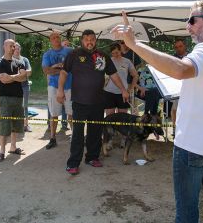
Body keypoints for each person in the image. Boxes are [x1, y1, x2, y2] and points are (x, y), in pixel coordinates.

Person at [112, 0, 203, 222]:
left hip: (193, 144)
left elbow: (180, 69)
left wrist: (134, 44)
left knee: (186, 210)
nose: (188, 26)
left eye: (192, 20)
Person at [57, 29, 129, 175]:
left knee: (95, 132)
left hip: (97, 101)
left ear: (95, 40)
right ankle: (73, 163)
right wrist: (60, 90)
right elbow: (64, 72)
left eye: (92, 39)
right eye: (86, 39)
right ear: (82, 41)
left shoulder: (102, 56)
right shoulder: (74, 54)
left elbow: (113, 74)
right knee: (77, 133)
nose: (89, 42)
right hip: (79, 101)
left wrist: (123, 89)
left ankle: (92, 157)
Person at [0, 39, 27, 162]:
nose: (12, 48)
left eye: (14, 46)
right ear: (4, 47)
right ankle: (1, 150)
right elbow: (3, 80)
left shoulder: (19, 62)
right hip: (5, 97)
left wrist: (11, 77)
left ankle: (13, 147)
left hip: (18, 97)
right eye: (10, 46)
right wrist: (16, 77)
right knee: (5, 124)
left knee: (16, 124)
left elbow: (23, 77)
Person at [42, 32, 73, 150]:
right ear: (50, 40)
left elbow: (74, 66)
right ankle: (52, 138)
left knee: (71, 113)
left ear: (60, 39)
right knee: (54, 114)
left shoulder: (70, 51)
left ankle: (74, 136)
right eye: (53, 37)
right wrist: (63, 70)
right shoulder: (47, 54)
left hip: (69, 86)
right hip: (53, 86)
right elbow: (46, 70)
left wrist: (55, 67)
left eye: (57, 37)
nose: (55, 39)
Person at [104, 42, 138, 116]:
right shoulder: (108, 61)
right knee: (110, 117)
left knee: (122, 118)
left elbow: (135, 76)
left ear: (120, 51)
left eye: (117, 52)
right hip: (109, 92)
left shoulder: (127, 61)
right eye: (113, 53)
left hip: (123, 93)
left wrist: (131, 89)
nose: (115, 55)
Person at [13, 42, 32, 132]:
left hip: (24, 86)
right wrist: (22, 74)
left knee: (25, 106)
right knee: (15, 106)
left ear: (20, 49)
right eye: (15, 48)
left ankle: (26, 125)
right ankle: (16, 125)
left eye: (18, 48)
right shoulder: (10, 60)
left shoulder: (25, 60)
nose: (17, 50)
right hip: (13, 87)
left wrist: (16, 75)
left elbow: (29, 72)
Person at [171, 39, 188, 131]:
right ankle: (174, 129)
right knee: (175, 109)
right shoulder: (173, 58)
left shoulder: (192, 56)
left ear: (185, 46)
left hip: (190, 87)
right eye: (176, 47)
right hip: (176, 87)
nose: (178, 48)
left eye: (180, 46)